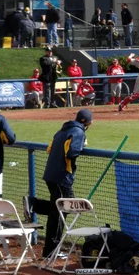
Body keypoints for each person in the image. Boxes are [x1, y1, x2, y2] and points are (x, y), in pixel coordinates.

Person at [23, 109, 93, 258]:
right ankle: (51, 251)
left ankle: (33, 205)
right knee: (63, 211)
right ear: (88, 122)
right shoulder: (78, 132)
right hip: (62, 177)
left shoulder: (61, 131)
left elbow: (49, 149)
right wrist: (82, 144)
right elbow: (72, 153)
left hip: (51, 174)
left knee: (61, 209)